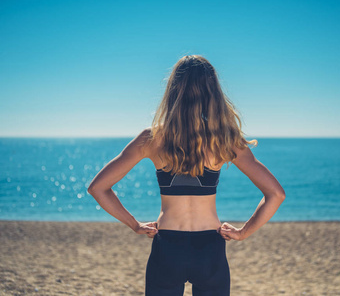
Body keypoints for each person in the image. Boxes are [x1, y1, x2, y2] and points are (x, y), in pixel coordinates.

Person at [87, 54, 285, 296]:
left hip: (168, 245)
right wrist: (243, 233)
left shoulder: (151, 139)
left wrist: (135, 225)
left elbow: (98, 188)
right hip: (210, 248)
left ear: (173, 91)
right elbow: (276, 194)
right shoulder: (226, 141)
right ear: (213, 92)